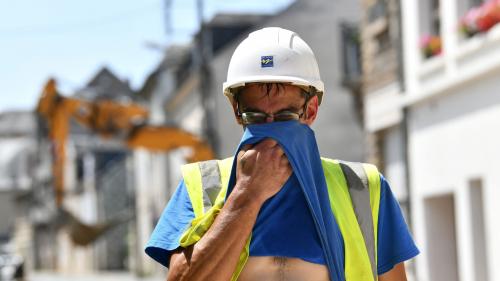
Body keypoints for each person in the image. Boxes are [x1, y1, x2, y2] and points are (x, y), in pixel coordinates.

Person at [145, 27, 419, 281]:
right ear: (237, 112)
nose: (270, 129)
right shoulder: (200, 185)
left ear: (310, 111)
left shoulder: (363, 189)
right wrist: (246, 195)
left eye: (285, 116)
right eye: (256, 116)